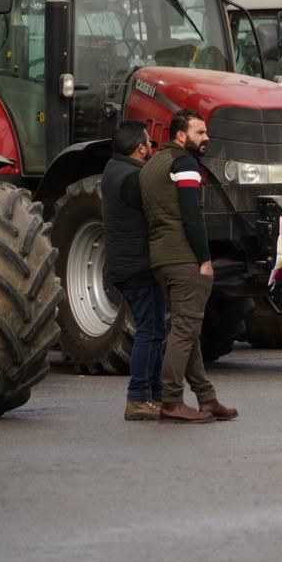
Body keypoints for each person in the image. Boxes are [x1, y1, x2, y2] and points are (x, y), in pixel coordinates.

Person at [141, 109, 237, 424]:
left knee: (187, 330)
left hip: (161, 259)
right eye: (199, 133)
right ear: (181, 136)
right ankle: (170, 400)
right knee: (183, 332)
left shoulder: (153, 164)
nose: (206, 138)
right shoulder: (184, 164)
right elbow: (191, 216)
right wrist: (204, 259)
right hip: (184, 260)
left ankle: (207, 398)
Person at [102, 121, 165, 421]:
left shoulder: (113, 169)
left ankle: (153, 396)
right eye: (150, 142)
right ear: (141, 147)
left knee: (153, 331)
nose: (152, 146)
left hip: (125, 265)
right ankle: (139, 397)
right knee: (149, 332)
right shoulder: (133, 178)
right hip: (137, 266)